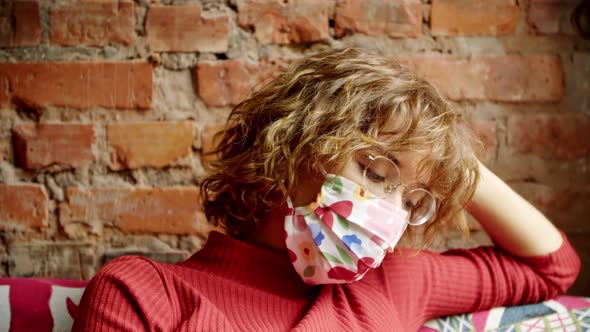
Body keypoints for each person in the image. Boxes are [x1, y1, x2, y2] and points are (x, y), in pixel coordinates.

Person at [72, 48, 580, 331]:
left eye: (411, 200)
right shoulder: (141, 294)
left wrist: (453, 165)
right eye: (377, 173)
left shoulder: (393, 282)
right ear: (292, 146)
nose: (390, 213)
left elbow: (552, 266)